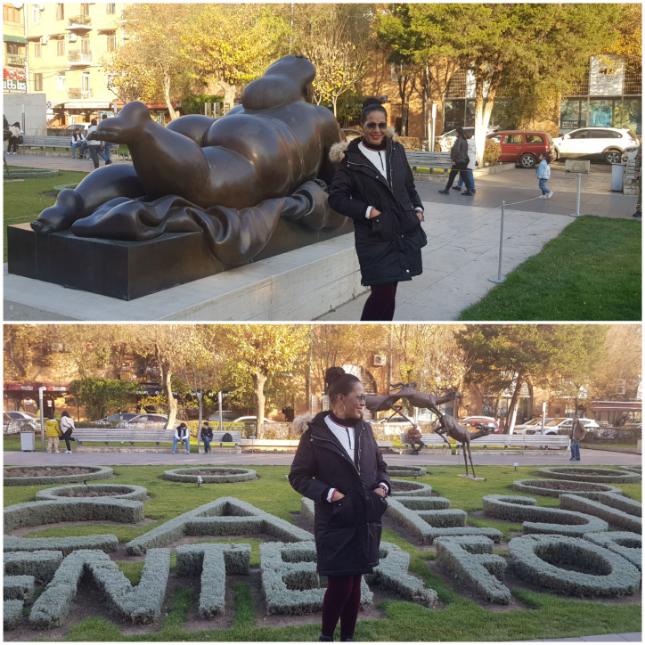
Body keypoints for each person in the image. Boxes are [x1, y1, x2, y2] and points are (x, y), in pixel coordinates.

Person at [289, 366, 391, 642]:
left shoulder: (366, 430)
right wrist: (331, 493)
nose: (363, 402)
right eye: (358, 397)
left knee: (355, 581)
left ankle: (347, 637)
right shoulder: (315, 435)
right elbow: (298, 477)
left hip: (365, 519)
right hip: (335, 521)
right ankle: (326, 637)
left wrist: (383, 487)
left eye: (364, 397)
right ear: (339, 399)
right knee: (341, 583)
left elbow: (380, 466)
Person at [328, 98, 427, 321]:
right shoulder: (351, 159)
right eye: (371, 125)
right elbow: (336, 198)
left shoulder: (397, 150)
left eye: (381, 124)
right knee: (382, 294)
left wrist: (418, 208)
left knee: (388, 295)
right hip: (374, 236)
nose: (376, 130)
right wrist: (369, 212)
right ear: (362, 126)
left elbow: (409, 186)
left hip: (403, 231)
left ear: (387, 125)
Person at [438, 127, 470, 195]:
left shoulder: (459, 140)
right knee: (464, 176)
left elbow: (456, 150)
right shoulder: (464, 140)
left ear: (458, 132)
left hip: (458, 161)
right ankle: (469, 190)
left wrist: (453, 158)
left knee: (452, 175)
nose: (455, 134)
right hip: (463, 160)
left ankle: (446, 190)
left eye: (456, 132)